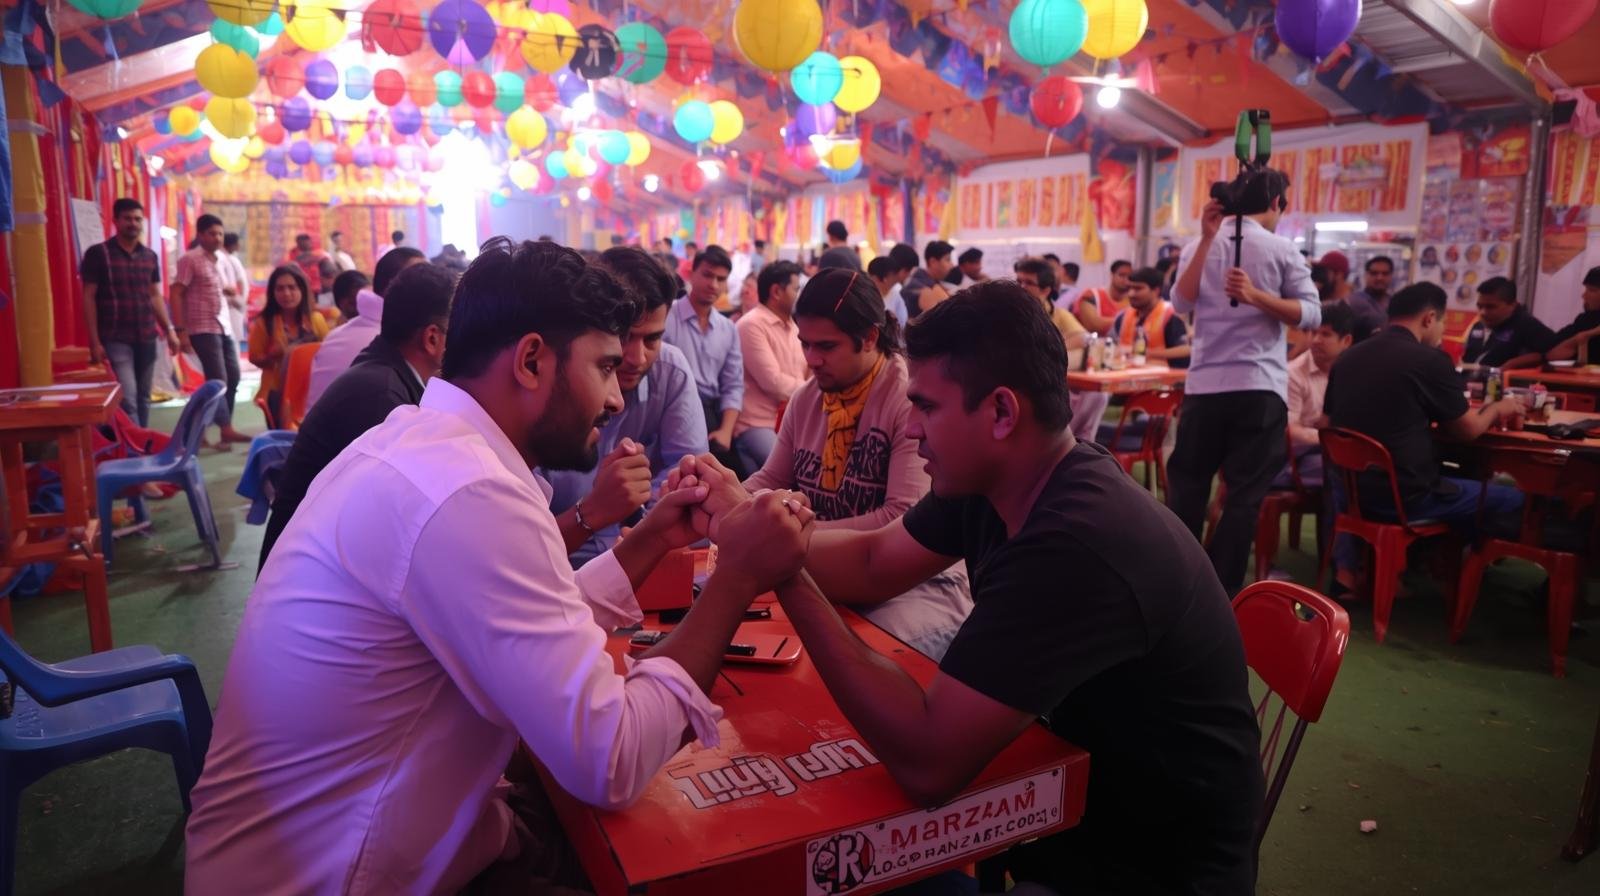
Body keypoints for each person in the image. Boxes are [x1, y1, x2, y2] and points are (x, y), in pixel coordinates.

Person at [187, 238, 814, 893]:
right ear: (532, 360)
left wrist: (652, 536)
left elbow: (528, 615)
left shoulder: (416, 443)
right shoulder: (469, 491)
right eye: (604, 367)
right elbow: (613, 759)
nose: (613, 400)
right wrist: (737, 575)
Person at [670, 282, 1263, 893]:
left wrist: (785, 569)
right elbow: (874, 560)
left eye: (926, 408)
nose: (915, 430)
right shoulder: (1000, 480)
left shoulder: (1075, 542)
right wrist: (743, 518)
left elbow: (927, 764)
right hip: (1060, 818)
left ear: (1002, 413)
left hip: (1145, 869)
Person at [732, 267, 971, 657]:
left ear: (870, 337)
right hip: (826, 570)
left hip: (917, 584)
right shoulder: (808, 398)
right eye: (805, 344)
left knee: (853, 655)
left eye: (826, 346)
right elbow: (771, 478)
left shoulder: (908, 399)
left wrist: (794, 535)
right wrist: (721, 497)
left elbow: (901, 517)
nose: (812, 360)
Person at [1168, 170, 1322, 593]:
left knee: (1188, 489)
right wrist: (1207, 240)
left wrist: (1253, 294)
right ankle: (1220, 590)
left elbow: (1179, 301)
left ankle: (1176, 582)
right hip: (1258, 389)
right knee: (1243, 498)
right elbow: (1312, 313)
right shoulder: (1281, 249)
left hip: (1206, 389)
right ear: (1276, 203)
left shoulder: (1206, 245)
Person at [1323, 283, 1524, 591]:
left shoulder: (1348, 357)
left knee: (1455, 478)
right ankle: (1456, 571)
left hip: (1349, 491)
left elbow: (1328, 422)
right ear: (1430, 318)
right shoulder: (1430, 360)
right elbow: (1468, 430)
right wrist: (1499, 408)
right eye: (1442, 322)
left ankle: (1419, 563)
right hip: (1407, 499)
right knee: (1516, 499)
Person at [258, 263, 454, 569]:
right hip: (308, 580)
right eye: (463, 332)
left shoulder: (383, 372)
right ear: (432, 339)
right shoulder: (382, 400)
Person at [546, 246, 709, 566]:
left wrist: (641, 531)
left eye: (652, 340)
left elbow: (688, 476)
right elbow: (518, 550)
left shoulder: (670, 371)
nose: (637, 358)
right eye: (625, 337)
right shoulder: (555, 379)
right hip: (557, 562)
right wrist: (593, 511)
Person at [80, 198, 180, 426]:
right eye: (127, 219)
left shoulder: (149, 256)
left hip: (146, 335)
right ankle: (135, 454)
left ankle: (140, 444)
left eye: (137, 219)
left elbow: (154, 295)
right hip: (115, 337)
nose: (133, 224)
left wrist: (170, 330)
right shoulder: (98, 254)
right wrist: (94, 341)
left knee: (144, 397)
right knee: (129, 399)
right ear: (115, 221)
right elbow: (89, 297)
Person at [307, 248, 427, 411]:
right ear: (393, 287)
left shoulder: (339, 333)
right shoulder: (398, 339)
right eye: (421, 280)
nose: (431, 285)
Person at [663, 245, 744, 472]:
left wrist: (726, 431)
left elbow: (733, 385)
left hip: (712, 412)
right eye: (707, 275)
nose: (714, 285)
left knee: (736, 477)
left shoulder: (728, 329)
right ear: (691, 273)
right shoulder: (667, 318)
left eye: (721, 279)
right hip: (673, 405)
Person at [171, 214, 250, 447]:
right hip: (201, 327)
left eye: (220, 234)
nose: (217, 238)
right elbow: (176, 293)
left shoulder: (222, 260)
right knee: (219, 379)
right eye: (212, 233)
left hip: (223, 325)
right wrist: (181, 331)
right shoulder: (190, 260)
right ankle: (226, 428)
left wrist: (230, 294)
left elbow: (227, 288)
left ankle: (200, 429)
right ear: (200, 235)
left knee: (233, 376)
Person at [733, 261, 807, 474]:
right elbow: (772, 382)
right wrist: (814, 391)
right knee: (794, 473)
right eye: (796, 288)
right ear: (776, 291)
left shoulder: (794, 327)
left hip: (790, 421)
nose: (799, 295)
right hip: (758, 423)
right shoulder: (751, 325)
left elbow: (809, 371)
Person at [1284, 301, 1355, 491]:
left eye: (1325, 334)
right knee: (1345, 472)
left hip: (1329, 454)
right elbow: (1290, 431)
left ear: (1346, 341)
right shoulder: (1294, 373)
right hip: (1291, 461)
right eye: (1313, 333)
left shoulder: (1353, 373)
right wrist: (1332, 440)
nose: (1315, 340)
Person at [249, 265, 331, 425]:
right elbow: (254, 357)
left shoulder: (316, 320)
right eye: (280, 289)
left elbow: (329, 353)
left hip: (312, 390)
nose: (286, 294)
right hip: (277, 391)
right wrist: (271, 356)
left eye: (292, 287)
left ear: (302, 289)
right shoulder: (264, 323)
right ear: (272, 293)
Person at [1462, 277, 1556, 370]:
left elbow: (1555, 354)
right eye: (1479, 306)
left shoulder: (1528, 326)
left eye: (1490, 307)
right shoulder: (1477, 326)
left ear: (1512, 305)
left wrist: (1517, 363)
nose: (1483, 312)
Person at [1109, 267, 1190, 368]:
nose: (1131, 294)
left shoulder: (1171, 316)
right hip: (1124, 376)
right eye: (1129, 288)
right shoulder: (1122, 317)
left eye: (1137, 289)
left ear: (1156, 290)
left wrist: (1147, 353)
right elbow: (1110, 345)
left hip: (1163, 379)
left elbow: (1186, 350)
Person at [1546, 265, 1600, 364]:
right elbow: (1551, 354)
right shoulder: (1585, 320)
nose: (1584, 296)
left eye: (1592, 290)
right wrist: (1585, 336)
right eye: (1586, 289)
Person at [1072, 260, 1132, 335]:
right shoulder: (1091, 295)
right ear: (1111, 275)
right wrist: (1129, 321)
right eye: (1121, 275)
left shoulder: (1133, 300)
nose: (1126, 280)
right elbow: (1093, 325)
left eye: (1129, 277)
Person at [902, 240, 954, 319]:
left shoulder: (924, 279)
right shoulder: (926, 286)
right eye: (947, 260)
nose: (952, 265)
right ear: (933, 261)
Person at [1347, 255, 1394, 341]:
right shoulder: (1354, 302)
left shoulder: (1395, 303)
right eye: (1374, 273)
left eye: (1385, 273)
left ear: (1391, 276)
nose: (1379, 278)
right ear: (1366, 275)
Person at [285, 232, 337, 299]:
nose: (305, 244)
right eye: (301, 242)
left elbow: (330, 270)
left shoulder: (319, 253)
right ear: (297, 243)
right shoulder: (292, 254)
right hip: (301, 288)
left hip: (318, 290)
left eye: (306, 241)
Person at [220, 232, 250, 343]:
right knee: (232, 341)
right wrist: (241, 301)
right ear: (232, 244)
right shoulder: (231, 260)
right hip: (231, 305)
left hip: (229, 304)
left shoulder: (225, 258)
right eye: (238, 243)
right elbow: (243, 283)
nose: (239, 246)